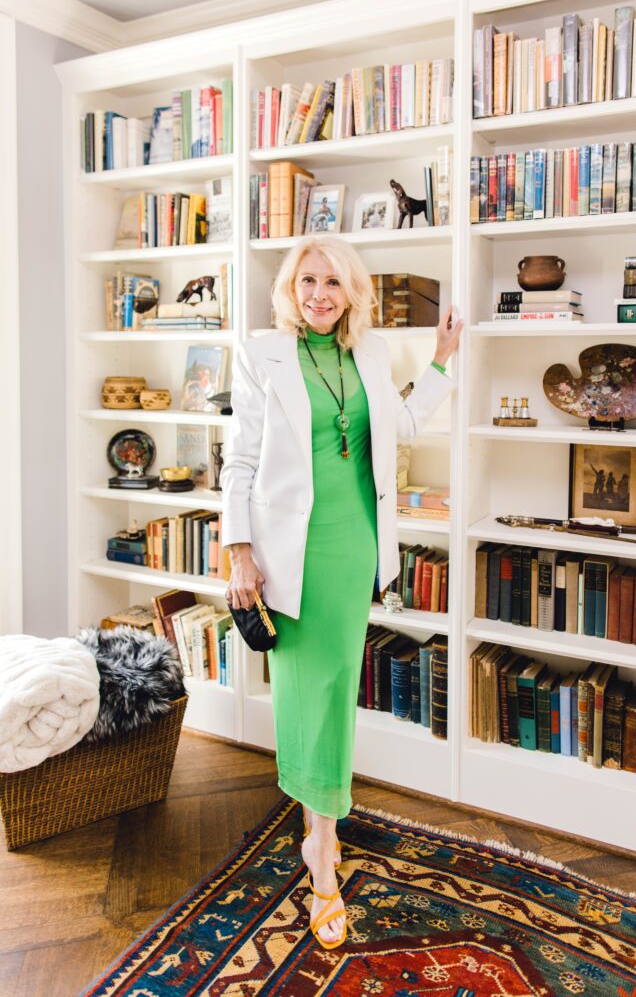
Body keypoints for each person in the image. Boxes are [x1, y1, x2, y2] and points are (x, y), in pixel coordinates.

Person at [221, 235, 462, 950]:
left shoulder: (372, 353)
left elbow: (403, 427)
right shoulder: (261, 355)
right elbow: (238, 459)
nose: (319, 293)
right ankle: (321, 852)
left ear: (352, 290)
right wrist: (239, 553)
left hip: (354, 542)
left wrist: (443, 362)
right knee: (306, 689)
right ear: (290, 290)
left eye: (332, 281)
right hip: (287, 551)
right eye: (306, 281)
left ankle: (317, 830)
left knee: (333, 689)